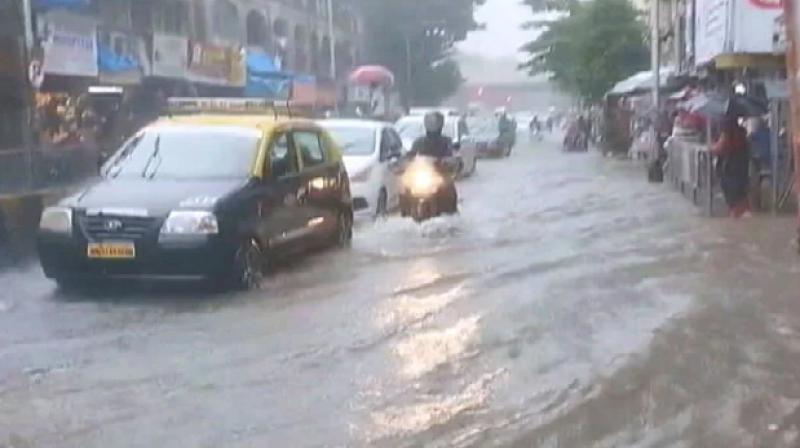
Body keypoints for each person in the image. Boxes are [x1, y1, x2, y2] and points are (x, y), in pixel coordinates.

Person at [407, 111, 458, 212]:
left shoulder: (446, 141)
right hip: (422, 175)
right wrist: (405, 161)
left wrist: (450, 161)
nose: (432, 125)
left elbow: (453, 155)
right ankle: (406, 211)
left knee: (449, 190)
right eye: (430, 123)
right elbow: (411, 155)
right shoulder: (419, 142)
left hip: (441, 175)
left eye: (434, 123)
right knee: (406, 190)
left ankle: (451, 212)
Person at [712, 115, 751, 218]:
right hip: (741, 170)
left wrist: (710, 147)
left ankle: (735, 217)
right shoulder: (741, 133)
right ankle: (743, 215)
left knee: (733, 199)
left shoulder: (728, 134)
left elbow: (719, 148)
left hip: (730, 170)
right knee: (740, 196)